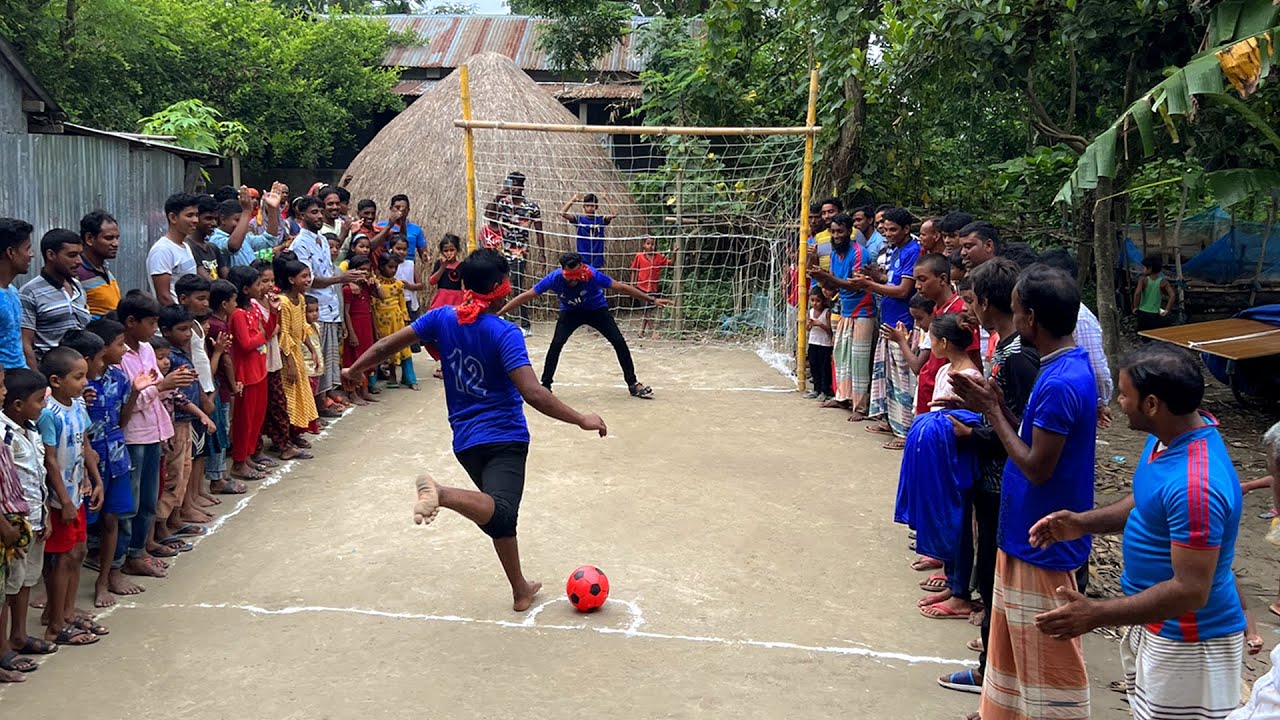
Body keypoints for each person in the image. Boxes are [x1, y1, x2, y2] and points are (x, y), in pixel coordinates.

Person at [343, 248, 607, 612]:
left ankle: (520, 589)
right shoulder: (505, 333)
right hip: (504, 436)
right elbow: (532, 392)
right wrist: (581, 418)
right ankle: (443, 493)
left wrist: (354, 370)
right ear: (502, 287)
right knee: (500, 511)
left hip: (465, 439)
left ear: (464, 284)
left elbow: (389, 344)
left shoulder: (441, 319)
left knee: (496, 514)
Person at [1030, 344, 1244, 720]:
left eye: (1125, 394)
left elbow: (1191, 590)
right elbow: (1147, 501)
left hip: (1189, 642)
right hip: (1156, 626)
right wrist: (1084, 523)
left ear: (1152, 404)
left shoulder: (1196, 486)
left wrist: (1097, 613)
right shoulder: (1168, 439)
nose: (1119, 402)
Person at [949, 264, 1096, 720]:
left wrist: (992, 411)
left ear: (1031, 318)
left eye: (1014, 311)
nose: (1009, 319)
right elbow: (1030, 440)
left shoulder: (1059, 383)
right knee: (1011, 649)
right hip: (1023, 535)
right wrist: (994, 407)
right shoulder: (1059, 368)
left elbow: (1036, 466)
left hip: (1042, 540)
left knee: (1048, 662)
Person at [937, 257, 1041, 697]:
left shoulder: (1019, 356)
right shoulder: (1002, 346)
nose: (967, 310)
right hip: (991, 473)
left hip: (1004, 478)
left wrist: (975, 430)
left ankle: (991, 670)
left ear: (985, 303)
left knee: (994, 572)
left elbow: (1022, 425)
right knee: (988, 569)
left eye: (971, 300)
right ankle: (990, 657)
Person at [894, 313, 985, 619]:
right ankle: (953, 581)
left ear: (944, 343)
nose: (928, 343)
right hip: (941, 458)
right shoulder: (947, 369)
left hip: (956, 459)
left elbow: (968, 420)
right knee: (947, 520)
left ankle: (961, 592)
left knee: (958, 522)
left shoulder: (970, 377)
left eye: (931, 339)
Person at [500, 252, 671, 398]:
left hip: (597, 310)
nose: (573, 281)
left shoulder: (592, 274)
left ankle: (633, 384)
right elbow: (527, 296)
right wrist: (499, 312)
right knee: (556, 344)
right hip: (570, 313)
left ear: (582, 267)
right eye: (569, 276)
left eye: (576, 275)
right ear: (563, 271)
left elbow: (621, 288)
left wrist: (652, 299)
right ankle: (545, 385)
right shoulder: (554, 278)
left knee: (619, 342)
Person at [118, 291, 193, 581]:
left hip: (154, 430)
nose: (153, 329)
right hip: (134, 434)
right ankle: (126, 556)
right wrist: (162, 387)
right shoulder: (119, 356)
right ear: (131, 322)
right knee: (132, 501)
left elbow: (157, 385)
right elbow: (131, 400)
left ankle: (139, 550)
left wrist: (172, 383)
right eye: (150, 323)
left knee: (150, 496)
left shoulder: (147, 349)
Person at [37, 346, 104, 647]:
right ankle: (55, 623)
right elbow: (50, 460)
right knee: (62, 558)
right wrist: (63, 499)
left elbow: (85, 445)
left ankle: (66, 610)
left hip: (78, 490)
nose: (84, 383)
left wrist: (95, 479)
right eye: (78, 377)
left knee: (77, 552)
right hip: (60, 498)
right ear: (55, 380)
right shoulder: (50, 415)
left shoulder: (78, 405)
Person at [80, 319, 143, 606]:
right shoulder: (79, 382)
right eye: (119, 344)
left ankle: (105, 578)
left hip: (115, 454)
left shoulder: (118, 379)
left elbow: (121, 420)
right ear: (103, 349)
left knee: (112, 518)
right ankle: (58, 586)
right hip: (85, 462)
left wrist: (136, 393)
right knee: (80, 526)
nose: (124, 350)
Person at [289, 195, 364, 410]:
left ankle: (325, 397)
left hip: (329, 307)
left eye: (320, 212)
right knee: (314, 360)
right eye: (314, 212)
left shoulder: (321, 239)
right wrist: (342, 278)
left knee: (328, 359)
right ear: (301, 215)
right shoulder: (300, 244)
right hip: (315, 309)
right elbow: (308, 280)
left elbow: (327, 269)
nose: (320, 216)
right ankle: (315, 405)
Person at [3, 368, 56, 665]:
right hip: (12, 522)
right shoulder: (4, 434)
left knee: (25, 581)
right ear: (18, 405)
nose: (43, 406)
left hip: (35, 517)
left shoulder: (32, 429)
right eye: (39, 401)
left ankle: (19, 634)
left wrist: (45, 515)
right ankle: (4, 648)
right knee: (9, 586)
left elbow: (38, 475)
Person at [155, 304, 216, 548]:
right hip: (175, 423)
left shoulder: (181, 352)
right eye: (182, 329)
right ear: (166, 331)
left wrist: (201, 410)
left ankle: (176, 517)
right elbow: (175, 394)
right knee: (174, 473)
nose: (188, 334)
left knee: (184, 470)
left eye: (190, 329)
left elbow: (185, 390)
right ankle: (163, 524)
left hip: (186, 419)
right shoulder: (167, 358)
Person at [862, 208, 922, 448]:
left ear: (906, 229)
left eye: (893, 229)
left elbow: (904, 290)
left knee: (902, 380)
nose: (887, 234)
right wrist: (877, 277)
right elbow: (892, 281)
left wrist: (869, 285)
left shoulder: (912, 251)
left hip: (902, 324)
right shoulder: (896, 251)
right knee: (888, 376)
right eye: (885, 229)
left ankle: (904, 430)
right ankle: (889, 420)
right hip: (889, 319)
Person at [1038, 248, 1115, 429]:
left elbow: (1097, 367)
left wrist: (1100, 402)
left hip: (1071, 398)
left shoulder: (1081, 318)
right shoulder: (1045, 312)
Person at [810, 214, 874, 419]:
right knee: (841, 355)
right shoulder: (836, 256)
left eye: (840, 231)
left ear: (849, 232)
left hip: (863, 311)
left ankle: (860, 407)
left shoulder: (859, 253)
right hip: (844, 309)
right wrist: (819, 275)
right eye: (833, 232)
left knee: (859, 359)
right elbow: (832, 285)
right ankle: (842, 397)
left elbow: (856, 284)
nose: (836, 235)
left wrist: (828, 277)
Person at [176, 274, 222, 513]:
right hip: (193, 395)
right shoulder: (183, 329)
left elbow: (202, 359)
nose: (205, 304)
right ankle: (187, 504)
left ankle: (196, 494)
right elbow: (190, 363)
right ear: (183, 298)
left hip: (205, 389)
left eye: (207, 299)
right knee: (191, 453)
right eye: (200, 299)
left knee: (200, 448)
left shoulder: (196, 324)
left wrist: (209, 389)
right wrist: (202, 395)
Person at [227, 266, 278, 482]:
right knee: (244, 420)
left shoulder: (254, 309)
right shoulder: (238, 314)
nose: (262, 288)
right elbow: (247, 344)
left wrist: (274, 313)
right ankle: (239, 461)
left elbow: (268, 329)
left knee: (256, 418)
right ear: (246, 289)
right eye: (258, 284)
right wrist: (264, 334)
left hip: (259, 369)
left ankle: (247, 457)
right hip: (245, 374)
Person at [253, 258, 305, 460]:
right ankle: (264, 448)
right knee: (263, 409)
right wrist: (272, 327)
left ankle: (283, 444)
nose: (267, 286)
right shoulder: (254, 306)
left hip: (272, 361)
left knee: (277, 405)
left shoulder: (272, 301)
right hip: (260, 363)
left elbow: (277, 329)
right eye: (262, 281)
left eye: (270, 280)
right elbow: (269, 331)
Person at [20, 228, 91, 369]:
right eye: (72, 255)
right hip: (51, 374)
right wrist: (38, 383)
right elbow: (25, 343)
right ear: (51, 255)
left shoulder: (78, 287)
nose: (79, 261)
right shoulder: (30, 292)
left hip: (79, 373)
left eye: (80, 255)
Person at [276, 259, 321, 438]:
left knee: (301, 393)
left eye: (309, 276)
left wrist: (311, 349)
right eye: (304, 276)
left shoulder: (301, 299)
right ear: (291, 279)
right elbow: (284, 334)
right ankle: (287, 435)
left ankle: (297, 432)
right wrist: (291, 363)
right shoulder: (284, 302)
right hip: (287, 355)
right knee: (289, 396)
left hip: (298, 353)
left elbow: (302, 326)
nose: (308, 280)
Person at [495, 172, 544, 337]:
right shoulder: (503, 203)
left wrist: (542, 254)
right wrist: (500, 194)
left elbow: (539, 231)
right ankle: (504, 318)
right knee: (501, 285)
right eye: (511, 183)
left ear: (522, 186)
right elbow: (489, 215)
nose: (513, 187)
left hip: (520, 251)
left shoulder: (532, 207)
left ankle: (525, 324)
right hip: (503, 251)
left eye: (516, 184)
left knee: (516, 285)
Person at [373, 253, 419, 390]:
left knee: (404, 349)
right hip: (382, 321)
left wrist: (405, 319)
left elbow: (402, 303)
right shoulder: (376, 284)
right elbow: (374, 305)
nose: (393, 270)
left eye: (395, 267)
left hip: (397, 320)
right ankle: (386, 378)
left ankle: (409, 378)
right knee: (385, 349)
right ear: (381, 267)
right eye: (390, 267)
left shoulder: (398, 284)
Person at [341, 255, 383, 404]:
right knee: (353, 358)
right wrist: (351, 333)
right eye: (361, 270)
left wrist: (375, 283)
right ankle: (352, 392)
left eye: (367, 270)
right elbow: (346, 312)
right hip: (355, 326)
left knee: (366, 358)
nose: (364, 273)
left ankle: (364, 390)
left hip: (366, 327)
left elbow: (381, 297)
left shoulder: (367, 287)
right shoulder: (348, 289)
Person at [211, 187, 284, 269]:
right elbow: (233, 247)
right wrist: (246, 212)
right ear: (223, 219)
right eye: (237, 220)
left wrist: (272, 209)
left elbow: (269, 240)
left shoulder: (245, 238)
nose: (242, 224)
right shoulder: (215, 239)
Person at [148, 193, 200, 306]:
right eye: (190, 215)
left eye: (197, 215)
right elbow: (164, 297)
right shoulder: (162, 250)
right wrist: (181, 319)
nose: (195, 220)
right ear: (173, 218)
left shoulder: (185, 246)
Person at [0, 219, 34, 370]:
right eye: (27, 249)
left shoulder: (12, 291)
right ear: (11, 252)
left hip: (19, 378)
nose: (31, 255)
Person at [76, 210, 123, 318]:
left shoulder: (103, 268)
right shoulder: (77, 272)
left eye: (117, 238)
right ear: (89, 239)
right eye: (109, 238)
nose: (116, 244)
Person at [561, 193, 615, 270]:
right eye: (587, 206)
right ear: (584, 207)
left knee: (596, 280)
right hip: (582, 260)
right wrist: (573, 199)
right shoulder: (579, 220)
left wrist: (607, 199)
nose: (590, 208)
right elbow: (562, 213)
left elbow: (614, 214)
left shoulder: (601, 220)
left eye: (592, 206)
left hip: (597, 260)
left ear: (596, 207)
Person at [629, 236, 670, 339]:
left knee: (648, 309)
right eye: (648, 244)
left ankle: (641, 331)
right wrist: (631, 284)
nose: (650, 246)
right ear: (644, 245)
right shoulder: (639, 256)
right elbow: (634, 269)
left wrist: (674, 253)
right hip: (641, 287)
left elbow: (670, 263)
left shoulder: (659, 257)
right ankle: (653, 332)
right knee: (646, 309)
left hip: (653, 287)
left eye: (652, 244)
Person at [187, 195, 228, 281]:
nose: (214, 223)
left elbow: (227, 276)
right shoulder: (188, 247)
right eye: (208, 218)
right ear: (196, 218)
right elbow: (207, 280)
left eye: (216, 219)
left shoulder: (213, 248)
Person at [805, 289, 834, 400]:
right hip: (813, 342)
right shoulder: (811, 312)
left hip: (824, 344)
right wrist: (809, 325)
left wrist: (820, 324)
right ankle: (816, 389)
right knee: (814, 366)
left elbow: (830, 330)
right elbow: (808, 329)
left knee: (824, 368)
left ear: (823, 301)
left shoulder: (827, 312)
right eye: (812, 300)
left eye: (818, 301)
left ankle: (825, 390)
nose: (814, 303)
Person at [1134, 255, 1175, 331]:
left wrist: (1136, 306)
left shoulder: (1143, 280)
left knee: (1143, 335)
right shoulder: (1163, 282)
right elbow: (1172, 295)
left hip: (1143, 312)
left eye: (1145, 267)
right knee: (1153, 335)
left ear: (1150, 269)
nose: (1143, 269)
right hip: (1155, 313)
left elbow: (1137, 293)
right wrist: (1167, 310)